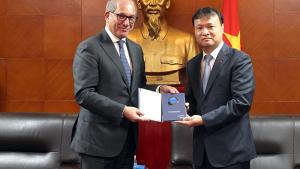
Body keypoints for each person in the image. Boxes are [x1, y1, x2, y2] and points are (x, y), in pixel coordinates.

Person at [70, 0, 178, 169]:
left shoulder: (135, 49)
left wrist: (159, 89)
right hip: (96, 144)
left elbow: (136, 89)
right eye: (121, 16)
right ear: (107, 16)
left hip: (127, 143)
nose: (127, 23)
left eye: (132, 18)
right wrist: (122, 110)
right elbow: (84, 94)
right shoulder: (89, 48)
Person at [177, 7, 256, 169]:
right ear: (194, 31)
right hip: (201, 153)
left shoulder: (240, 60)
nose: (205, 32)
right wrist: (184, 108)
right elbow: (193, 101)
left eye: (210, 26)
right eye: (199, 28)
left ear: (222, 27)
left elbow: (241, 103)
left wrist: (204, 119)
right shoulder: (192, 64)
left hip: (231, 153)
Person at [128, 0, 196, 85]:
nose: (153, 3)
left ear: (167, 3)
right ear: (138, 3)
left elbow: (195, 81)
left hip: (174, 97)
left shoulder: (186, 41)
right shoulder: (126, 40)